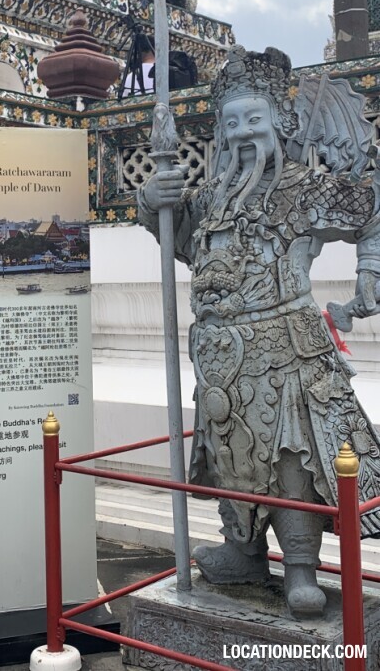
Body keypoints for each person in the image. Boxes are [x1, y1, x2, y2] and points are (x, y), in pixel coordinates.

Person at [138, 45, 380, 619]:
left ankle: (300, 568)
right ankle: (243, 552)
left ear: (280, 122)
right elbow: (182, 241)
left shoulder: (304, 187)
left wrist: (370, 270)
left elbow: (372, 208)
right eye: (231, 124)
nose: (242, 133)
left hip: (286, 355)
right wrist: (152, 204)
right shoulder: (212, 197)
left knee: (293, 461)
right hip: (221, 359)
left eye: (254, 119)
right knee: (228, 452)